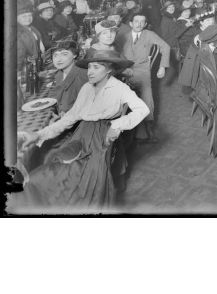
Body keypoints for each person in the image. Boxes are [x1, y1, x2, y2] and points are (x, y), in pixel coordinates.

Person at [18, 48, 149, 211]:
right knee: (45, 173)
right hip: (81, 135)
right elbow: (70, 118)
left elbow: (142, 110)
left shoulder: (120, 88)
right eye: (90, 67)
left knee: (80, 175)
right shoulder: (87, 87)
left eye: (97, 67)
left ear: (110, 70)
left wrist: (117, 125)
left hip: (102, 139)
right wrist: (38, 134)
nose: (90, 72)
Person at [120, 12, 170, 142]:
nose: (139, 24)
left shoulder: (149, 34)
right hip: (125, 70)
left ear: (146, 24)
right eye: (136, 21)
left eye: (142, 22)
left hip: (142, 70)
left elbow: (166, 47)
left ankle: (149, 129)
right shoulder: (123, 37)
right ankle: (128, 131)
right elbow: (117, 54)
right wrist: (122, 69)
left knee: (147, 98)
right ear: (130, 23)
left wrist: (162, 66)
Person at [48, 39, 89, 116]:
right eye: (55, 55)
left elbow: (88, 106)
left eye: (65, 54)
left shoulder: (83, 76)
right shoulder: (59, 74)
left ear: (74, 55)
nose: (59, 59)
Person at [17, 0, 45, 71]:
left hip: (36, 64)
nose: (28, 18)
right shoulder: (18, 32)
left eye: (30, 15)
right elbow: (18, 58)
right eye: (24, 16)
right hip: (26, 68)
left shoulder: (32, 28)